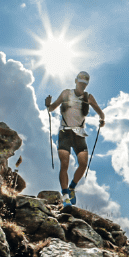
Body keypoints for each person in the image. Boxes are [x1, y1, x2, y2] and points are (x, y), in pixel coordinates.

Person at [45, 71, 105, 208]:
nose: (82, 86)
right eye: (80, 82)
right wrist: (48, 105)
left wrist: (102, 119)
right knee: (64, 164)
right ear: (76, 81)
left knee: (83, 164)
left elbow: (100, 112)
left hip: (79, 134)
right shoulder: (66, 93)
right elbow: (52, 108)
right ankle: (65, 196)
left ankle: (72, 187)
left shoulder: (88, 97)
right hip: (65, 133)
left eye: (85, 84)